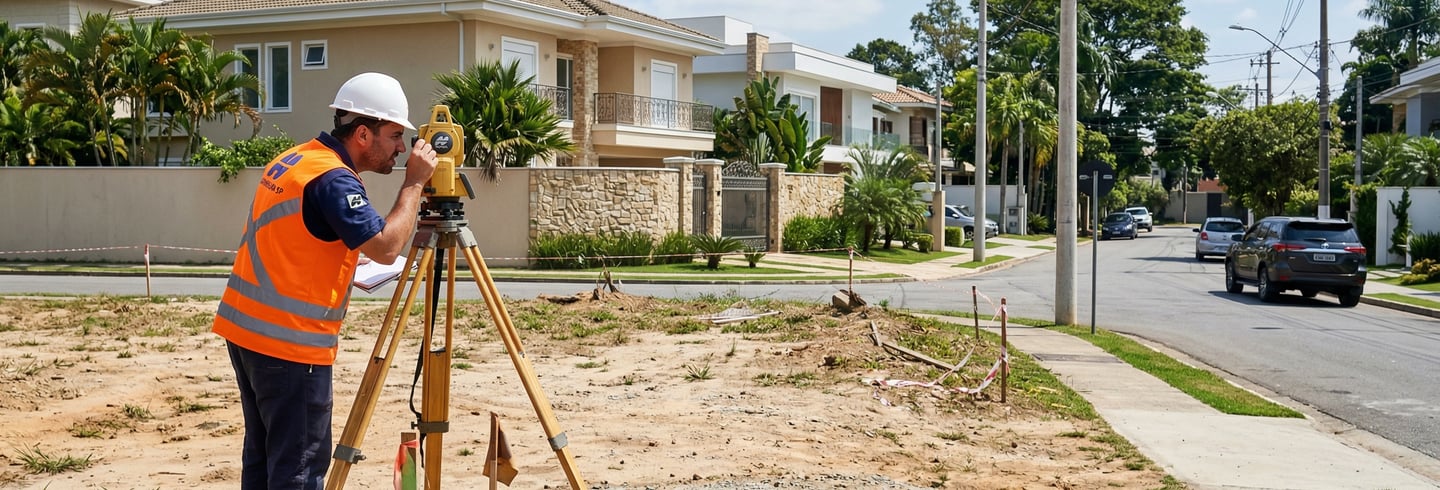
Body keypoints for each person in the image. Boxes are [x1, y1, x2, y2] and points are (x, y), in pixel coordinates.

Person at [211, 72, 439, 489]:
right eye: (394, 135)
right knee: (298, 469)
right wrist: (415, 183)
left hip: (246, 331)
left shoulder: (296, 158)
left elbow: (299, 242)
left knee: (263, 460)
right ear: (364, 135)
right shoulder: (334, 179)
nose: (402, 148)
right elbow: (386, 247)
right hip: (290, 344)